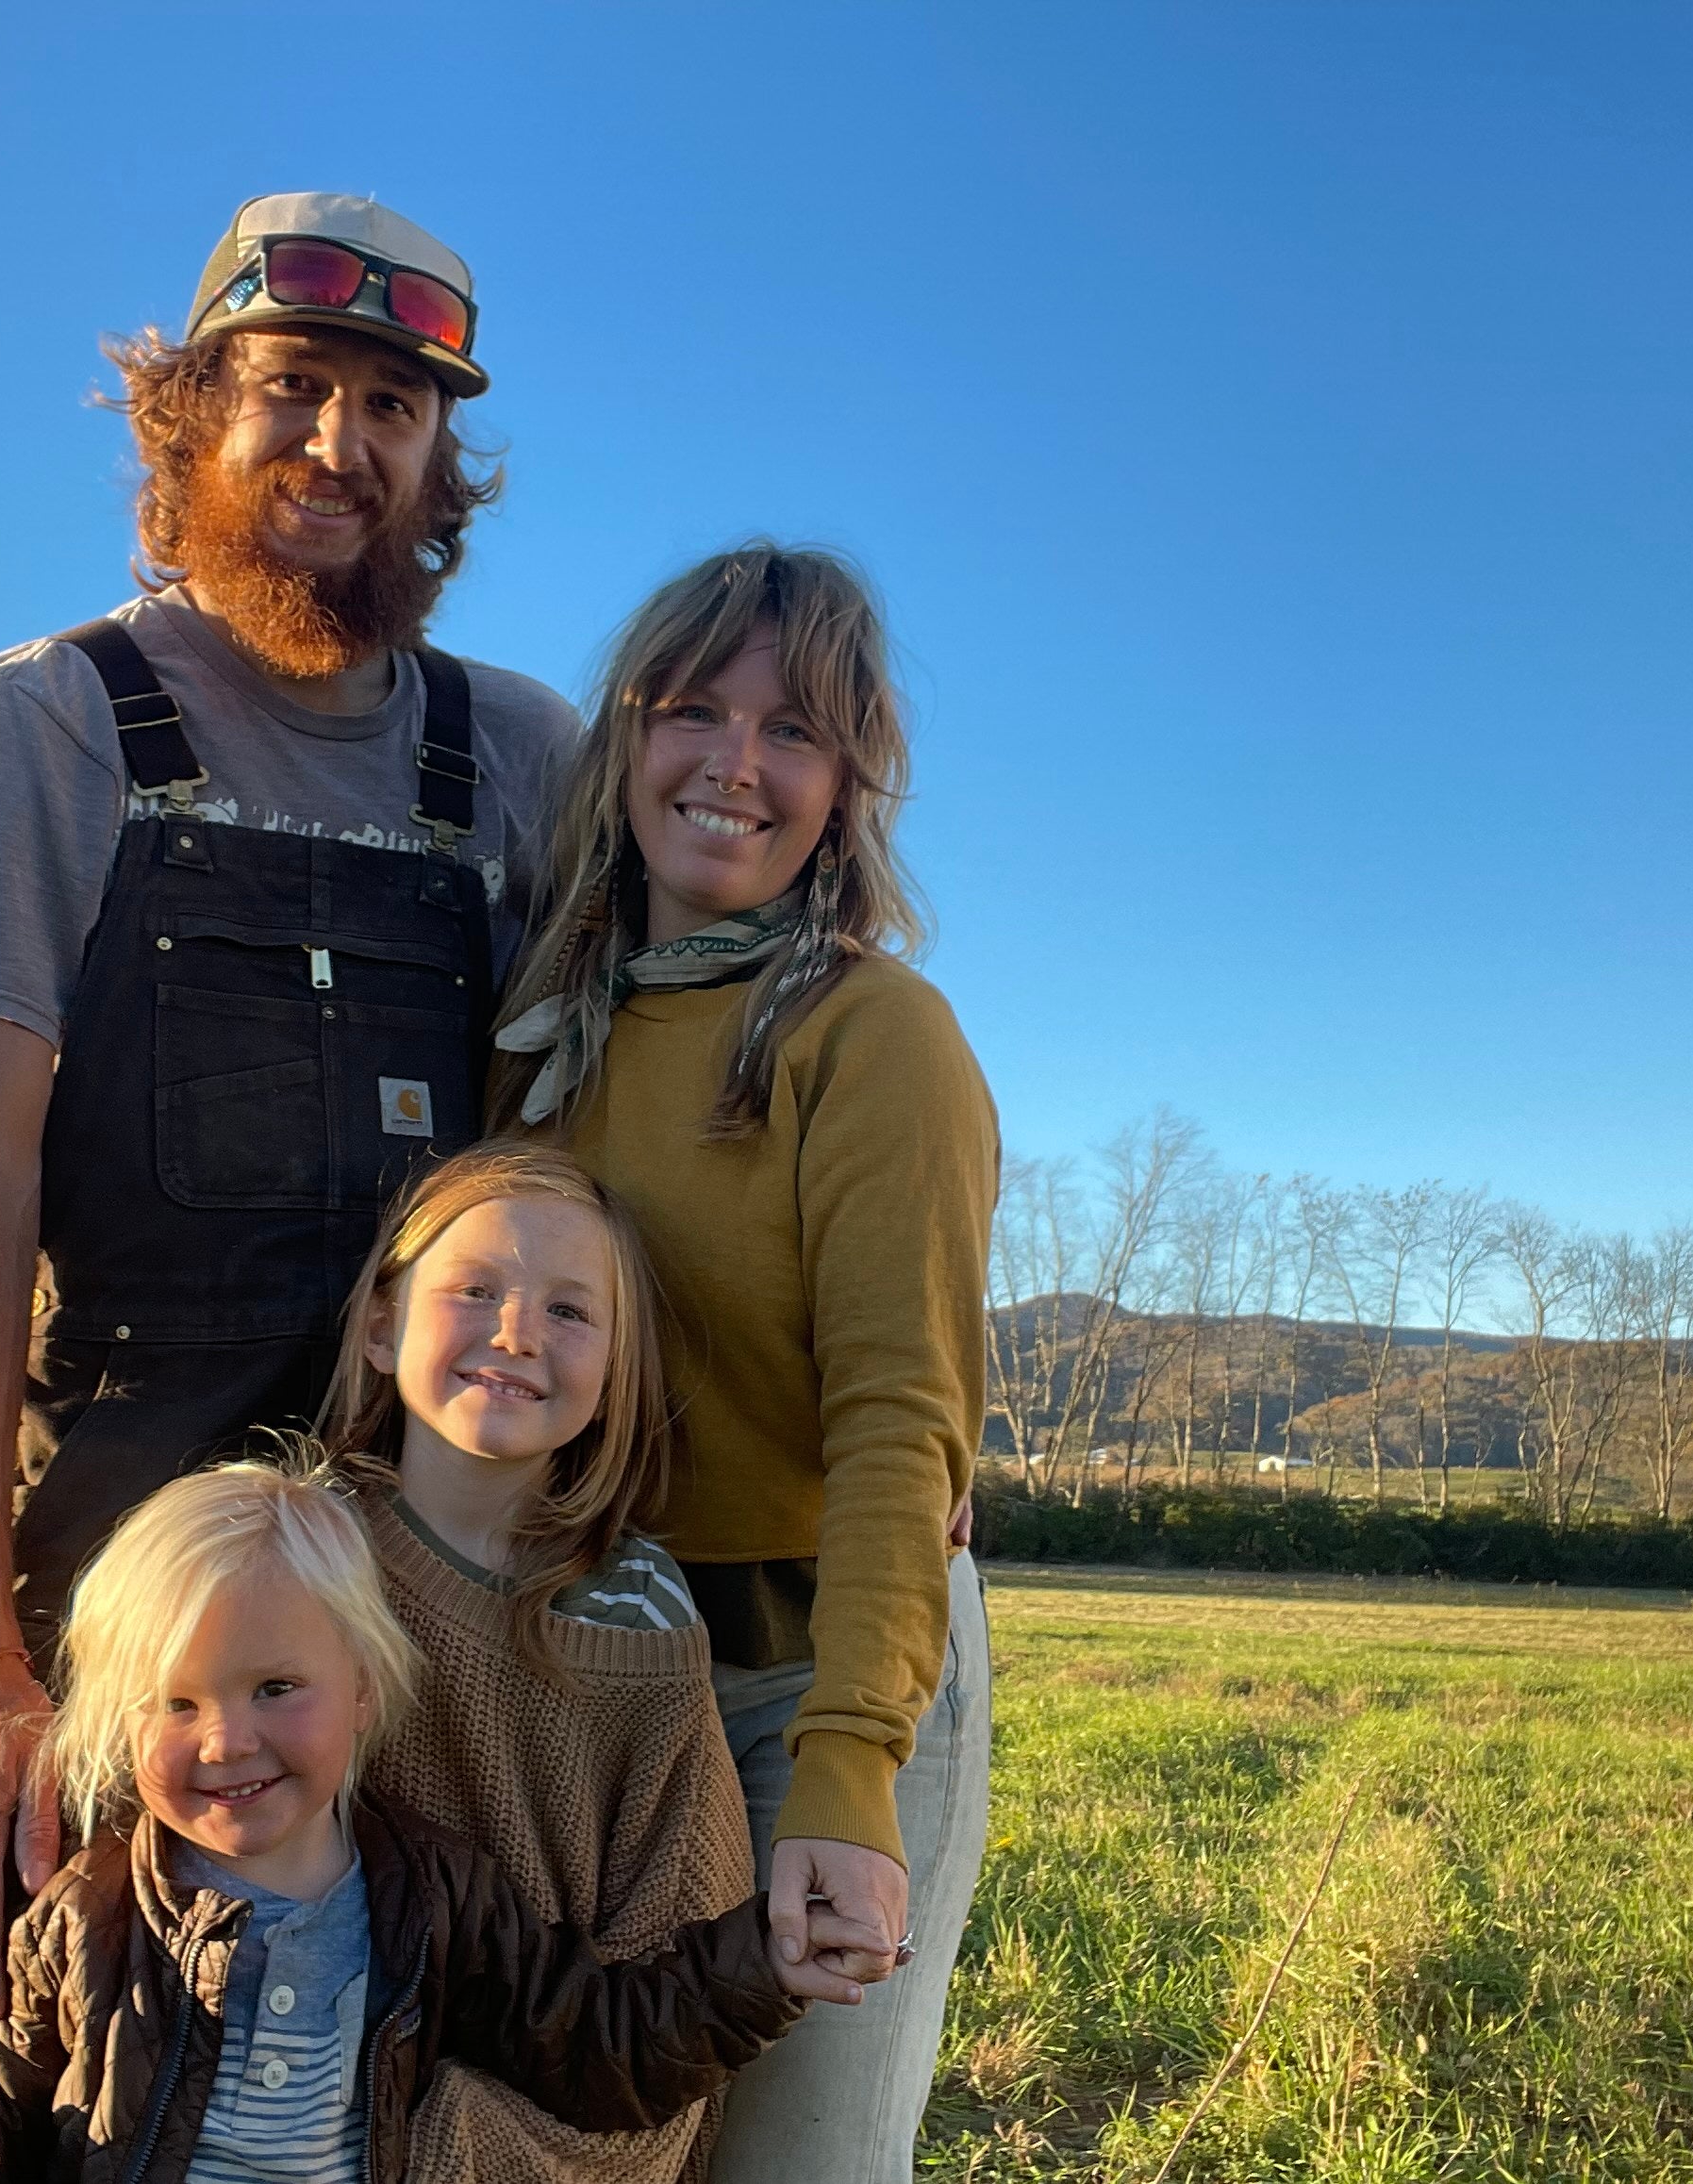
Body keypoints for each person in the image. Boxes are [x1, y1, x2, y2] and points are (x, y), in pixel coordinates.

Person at [0, 191, 579, 2182]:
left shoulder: (527, 760)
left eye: (392, 407)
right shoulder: (47, 724)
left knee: (406, 2094)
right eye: (291, 388)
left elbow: (616, 1176)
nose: (338, 445)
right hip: (114, 1546)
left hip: (431, 1555)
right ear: (188, 414)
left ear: (434, 461)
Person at [493, 545, 999, 2182]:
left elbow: (895, 1429)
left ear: (848, 785)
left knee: (794, 2163)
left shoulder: (871, 1040)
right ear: (622, 741)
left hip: (817, 1677)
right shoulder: (540, 1042)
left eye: (792, 732)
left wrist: (850, 1768)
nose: (732, 763)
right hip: (589, 1683)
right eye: (691, 710)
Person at [0, 1461, 823, 2184]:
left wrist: (770, 1956)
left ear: (366, 1693)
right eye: (175, 1704)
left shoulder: (431, 1897)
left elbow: (596, 2047)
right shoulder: (94, 1913)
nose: (224, 1742)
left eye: (276, 1687)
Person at [322, 1141, 888, 2180]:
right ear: (378, 1321)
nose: (516, 1332)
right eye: (474, 1288)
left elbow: (663, 2014)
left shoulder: (640, 1616)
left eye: (571, 1311)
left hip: (543, 2115)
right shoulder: (282, 1557)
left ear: (617, 1369)